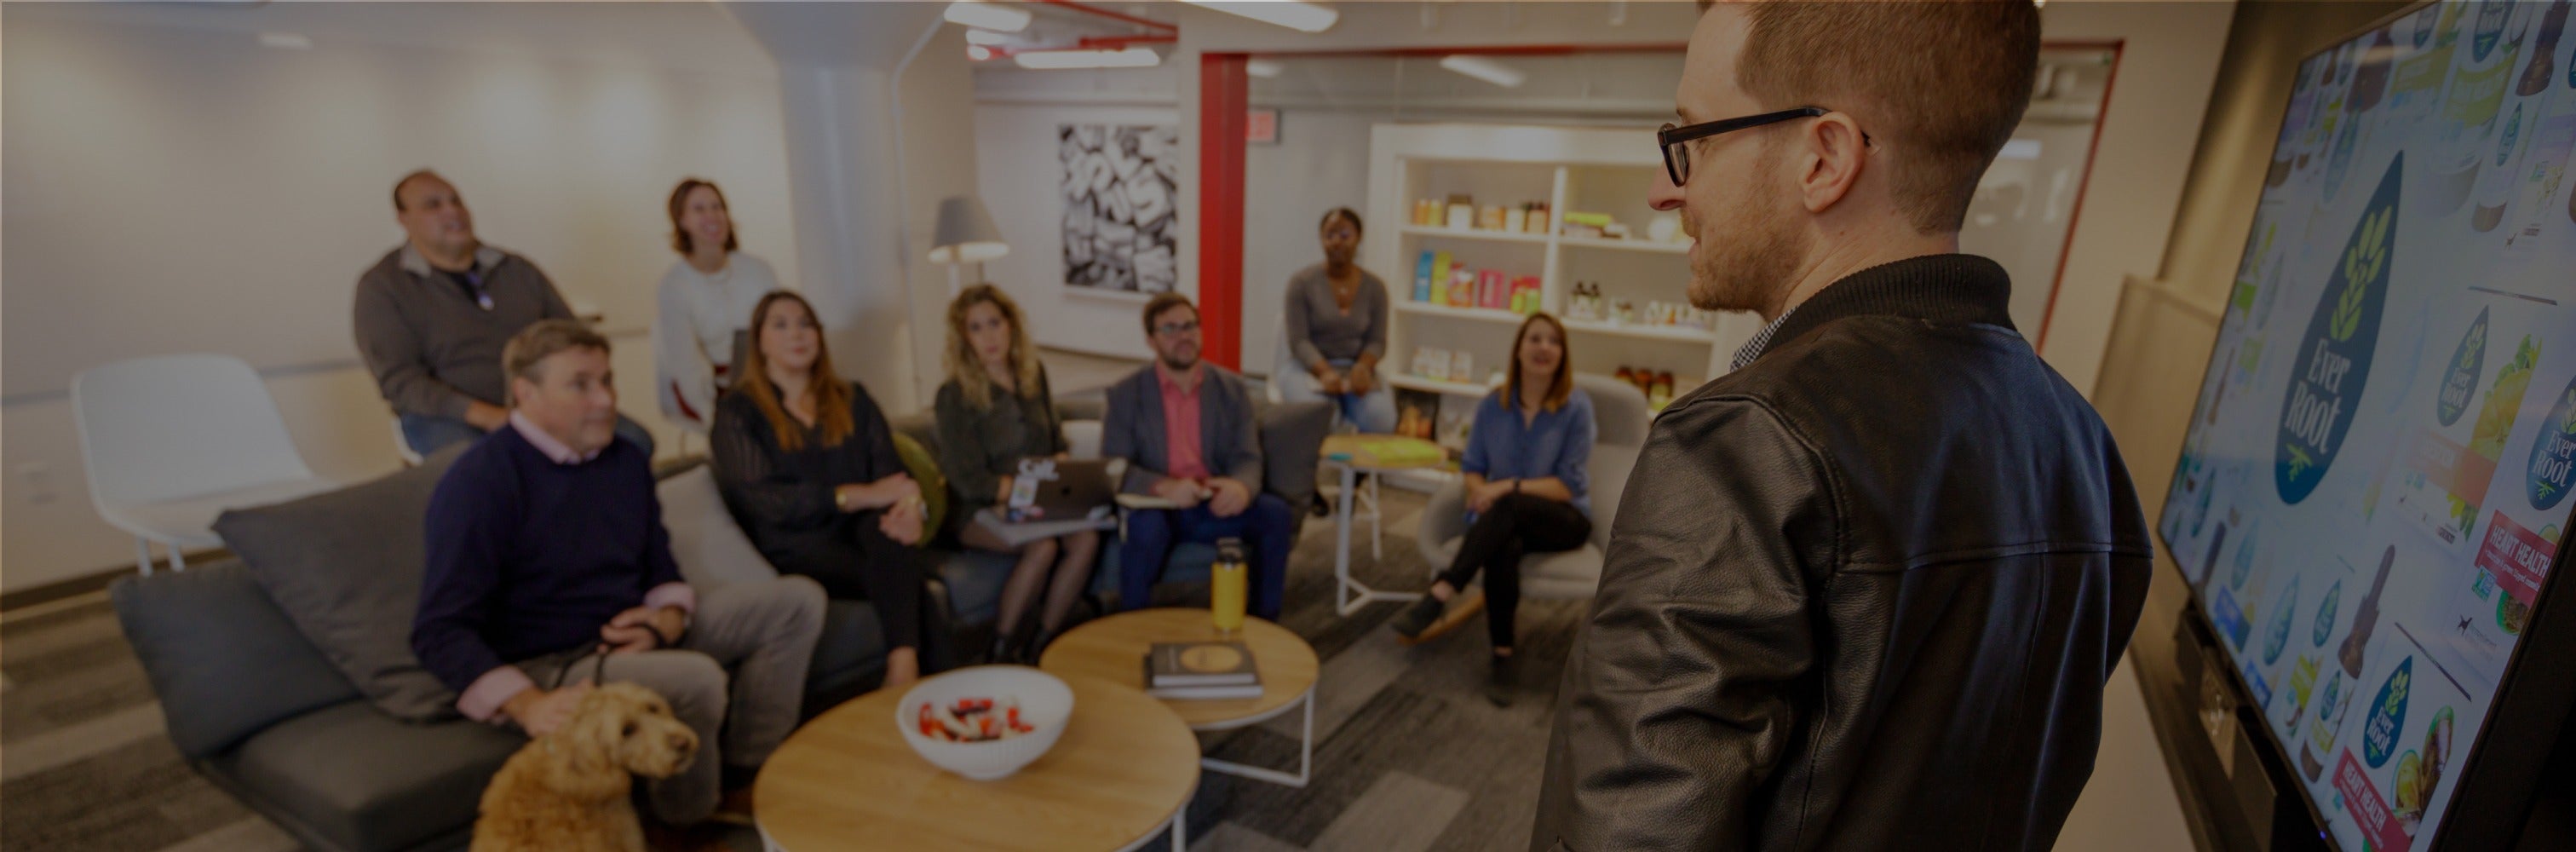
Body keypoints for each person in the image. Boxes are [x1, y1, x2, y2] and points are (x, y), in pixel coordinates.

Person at [1534, 3, 2150, 850]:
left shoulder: (1745, 443)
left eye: (1694, 138)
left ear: (1823, 158)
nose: (1665, 188)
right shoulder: (2085, 449)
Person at [412, 320, 823, 829]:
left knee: (797, 602)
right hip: (556, 661)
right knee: (696, 681)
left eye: (607, 380)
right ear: (526, 393)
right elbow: (438, 630)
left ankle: (749, 774)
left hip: (638, 632)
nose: (605, 399)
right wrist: (527, 704)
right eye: (581, 385)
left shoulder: (625, 460)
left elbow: (660, 564)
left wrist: (667, 618)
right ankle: (689, 825)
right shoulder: (480, 482)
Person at [710, 291, 936, 691]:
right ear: (759, 341)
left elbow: (892, 475)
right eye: (780, 325)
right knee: (904, 574)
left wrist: (910, 508)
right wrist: (858, 496)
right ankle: (929, 684)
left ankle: (904, 671)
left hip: (862, 534)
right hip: (795, 544)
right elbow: (769, 501)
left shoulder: (854, 398)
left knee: (891, 543)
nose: (796, 334)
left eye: (806, 324)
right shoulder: (737, 413)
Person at [354, 170, 654, 457]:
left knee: (633, 443)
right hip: (448, 416)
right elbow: (401, 382)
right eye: (433, 205)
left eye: (456, 200)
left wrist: (563, 398)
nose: (452, 211)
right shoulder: (383, 287)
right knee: (481, 470)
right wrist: (490, 416)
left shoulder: (517, 270)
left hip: (539, 405)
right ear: (404, 220)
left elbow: (571, 340)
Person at [1387, 314, 1594, 707]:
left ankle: (1442, 589)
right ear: (1518, 349)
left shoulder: (1576, 408)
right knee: (1505, 544)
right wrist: (1478, 489)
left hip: (1564, 519)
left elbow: (1568, 485)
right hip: (1508, 519)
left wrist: (1499, 489)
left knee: (1509, 503)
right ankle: (1503, 655)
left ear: (1562, 355)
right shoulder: (1492, 406)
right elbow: (1472, 467)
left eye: (1554, 341)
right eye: (1535, 339)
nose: (1544, 348)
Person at [934, 285, 1102, 664]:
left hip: (1037, 497)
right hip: (978, 508)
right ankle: (999, 649)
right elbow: (967, 480)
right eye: (976, 328)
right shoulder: (954, 395)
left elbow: (1055, 438)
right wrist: (1025, 487)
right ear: (964, 339)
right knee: (1043, 548)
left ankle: (1042, 642)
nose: (989, 336)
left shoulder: (1032, 374)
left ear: (1011, 325)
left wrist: (1060, 464)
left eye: (994, 323)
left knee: (1087, 538)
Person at [1102, 293, 1297, 619]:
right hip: (1160, 506)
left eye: (1190, 325)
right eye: (1170, 329)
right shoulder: (1126, 394)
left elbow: (1248, 456)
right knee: (1145, 530)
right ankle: (1130, 626)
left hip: (1212, 499)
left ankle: (1265, 623)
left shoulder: (1231, 389)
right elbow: (1114, 466)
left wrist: (1242, 487)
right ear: (1151, 341)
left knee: (1276, 515)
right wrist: (1164, 487)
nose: (1184, 336)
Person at [653, 177, 785, 435]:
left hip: (770, 378)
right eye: (699, 209)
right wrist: (716, 419)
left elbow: (779, 327)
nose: (712, 216)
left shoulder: (757, 269)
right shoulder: (673, 287)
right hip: (720, 392)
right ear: (682, 221)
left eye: (717, 207)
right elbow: (685, 364)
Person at [1274, 208, 1395, 434]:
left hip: (1355, 368)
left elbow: (1378, 341)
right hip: (1306, 369)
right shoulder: (1301, 283)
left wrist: (1363, 367)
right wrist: (1324, 372)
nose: (1337, 242)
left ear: (1359, 238)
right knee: (1324, 417)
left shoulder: (1375, 288)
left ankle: (1359, 470)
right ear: (1322, 240)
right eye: (1330, 235)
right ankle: (1321, 468)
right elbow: (1299, 341)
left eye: (1345, 235)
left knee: (1381, 419)